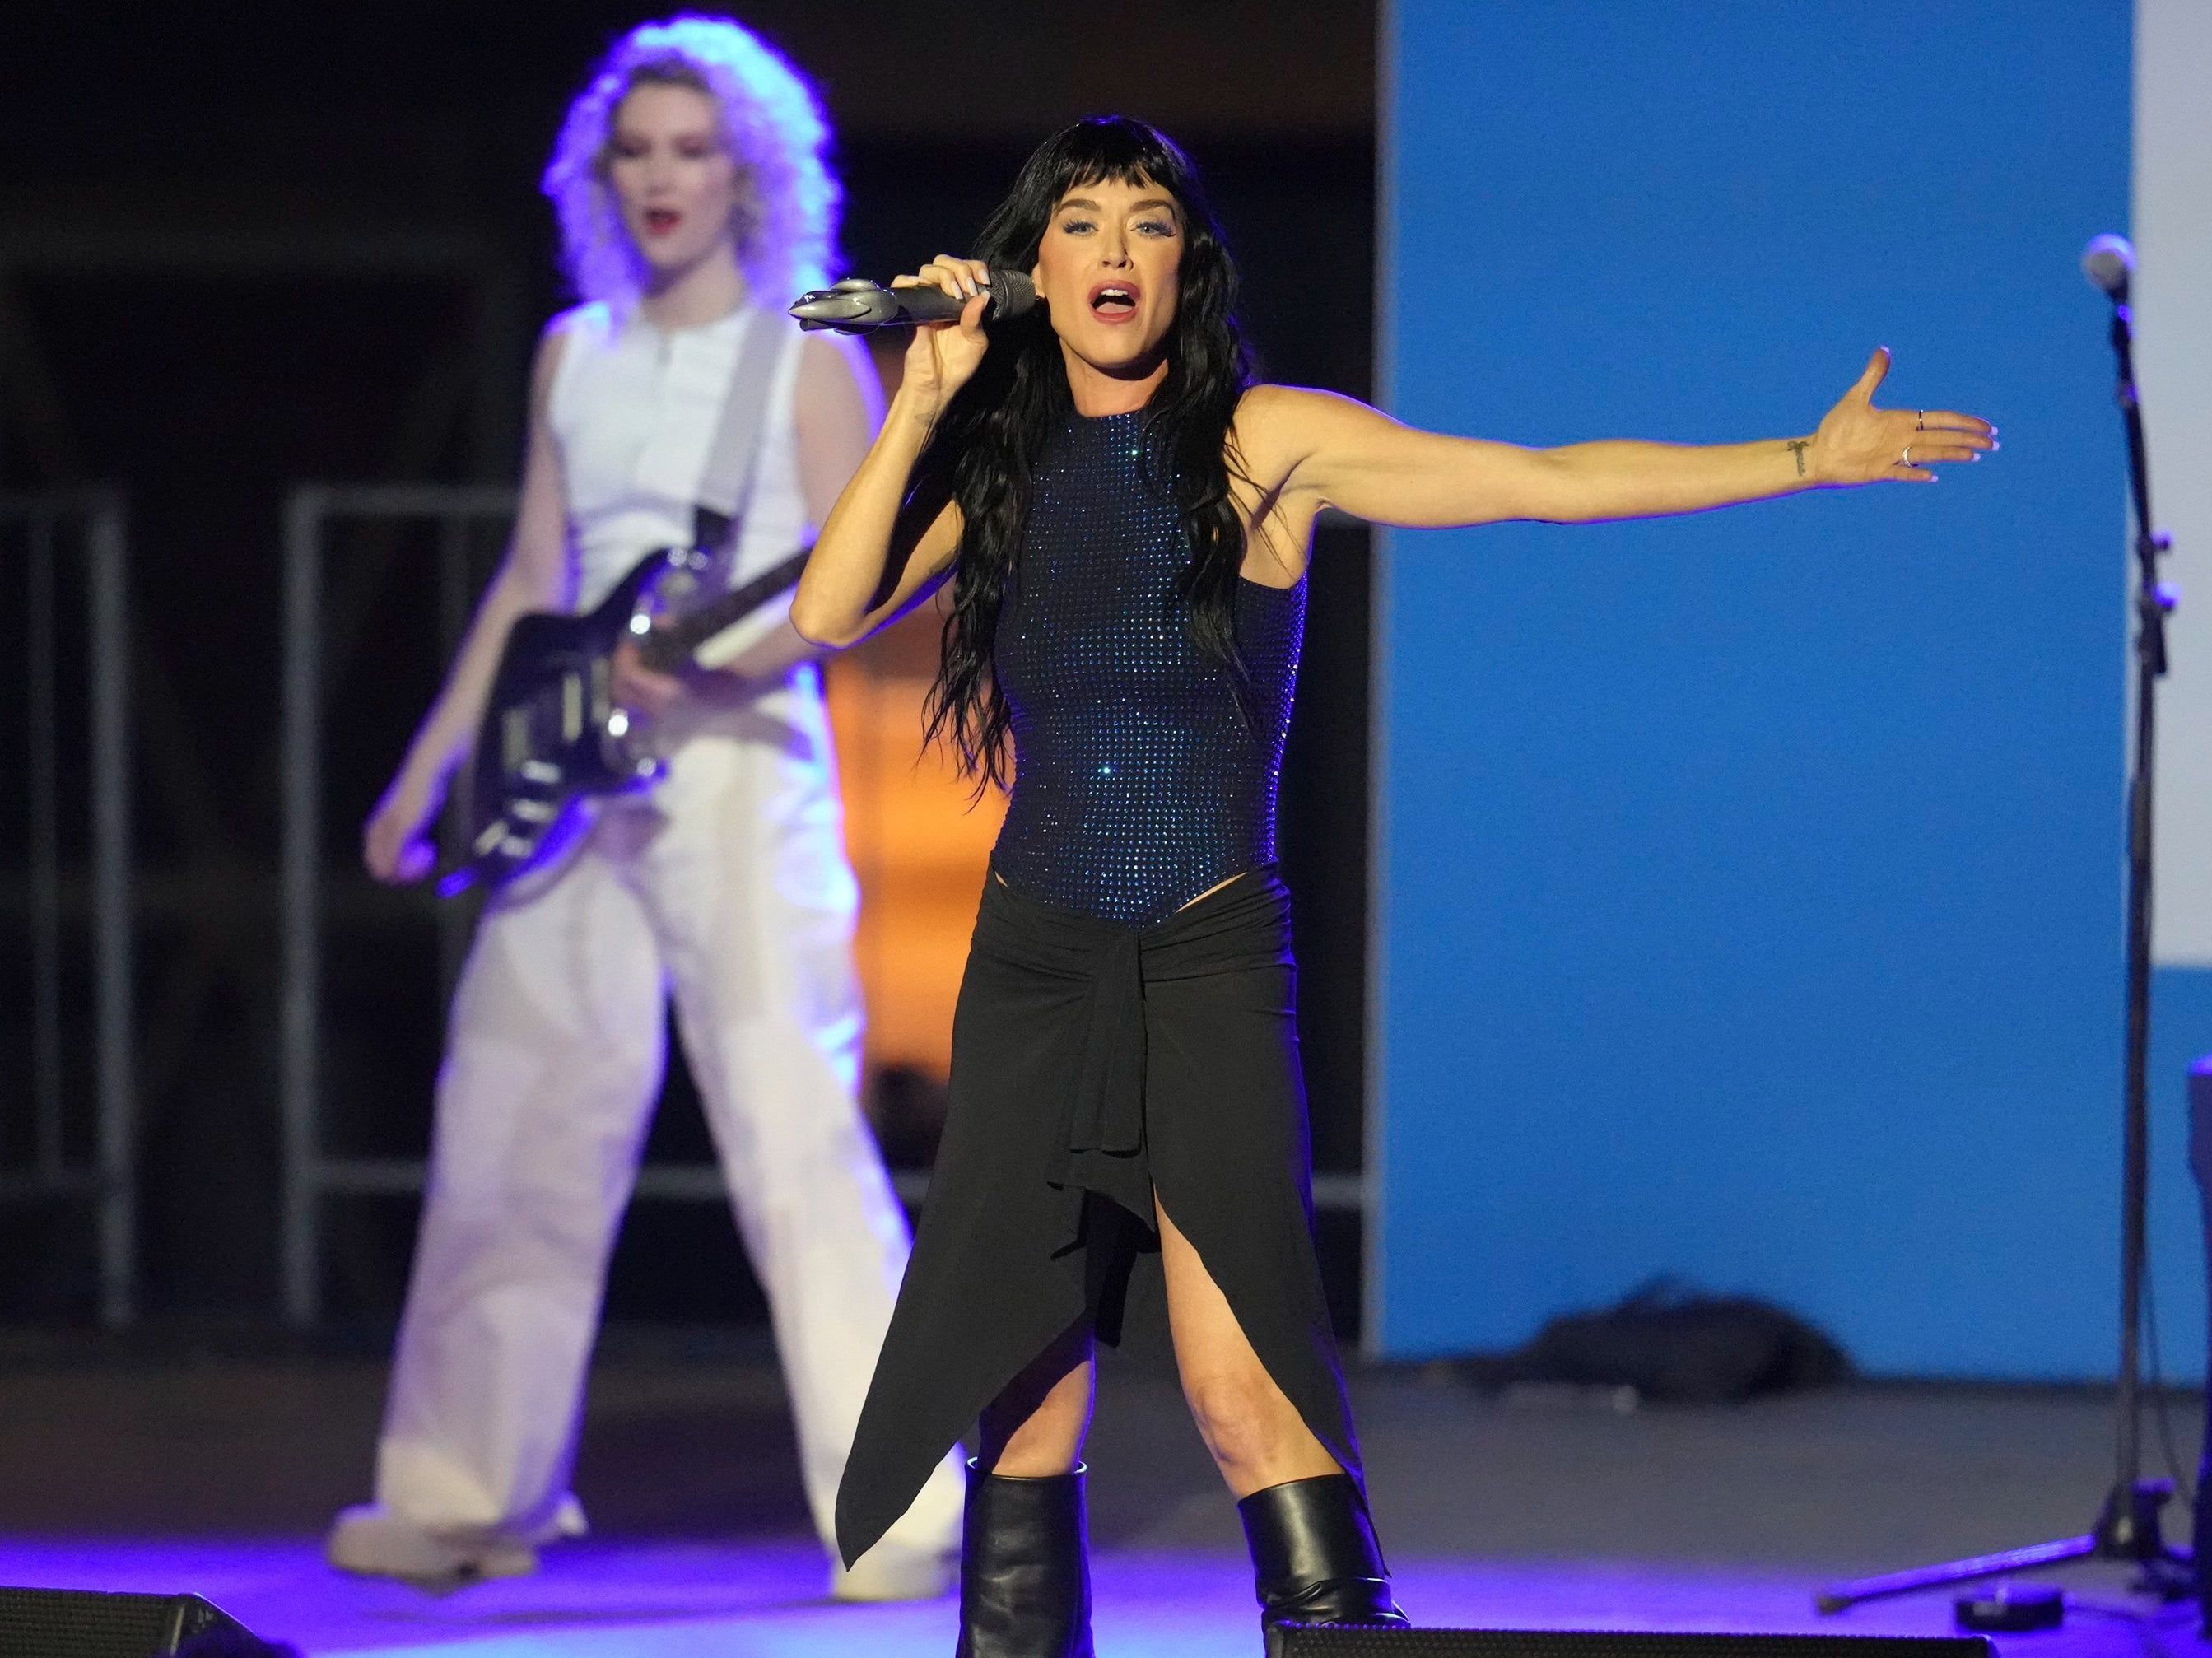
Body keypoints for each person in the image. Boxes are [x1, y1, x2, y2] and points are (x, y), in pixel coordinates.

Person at [790, 115, 1995, 1651]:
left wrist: (1798, 459)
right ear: (1034, 266)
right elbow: (830, 608)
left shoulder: (1261, 442)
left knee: (1248, 1396)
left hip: (1205, 961)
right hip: (1035, 972)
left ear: (1185, 265)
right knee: (1018, 1413)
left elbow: (1539, 480)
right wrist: (925, 400)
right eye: (1080, 224)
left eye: (1147, 224)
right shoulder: (999, 461)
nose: (1113, 252)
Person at [325, 15, 964, 1600]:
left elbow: (856, 572)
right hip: (567, 791)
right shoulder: (573, 350)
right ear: (601, 172)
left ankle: (901, 1505)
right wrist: (430, 769)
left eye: (696, 150)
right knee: (510, 1118)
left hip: (745, 777)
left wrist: (722, 667)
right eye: (639, 149)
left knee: (791, 1124)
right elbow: (539, 580)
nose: (666, 177)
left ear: (751, 175)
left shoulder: (808, 351)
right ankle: (466, 1489)